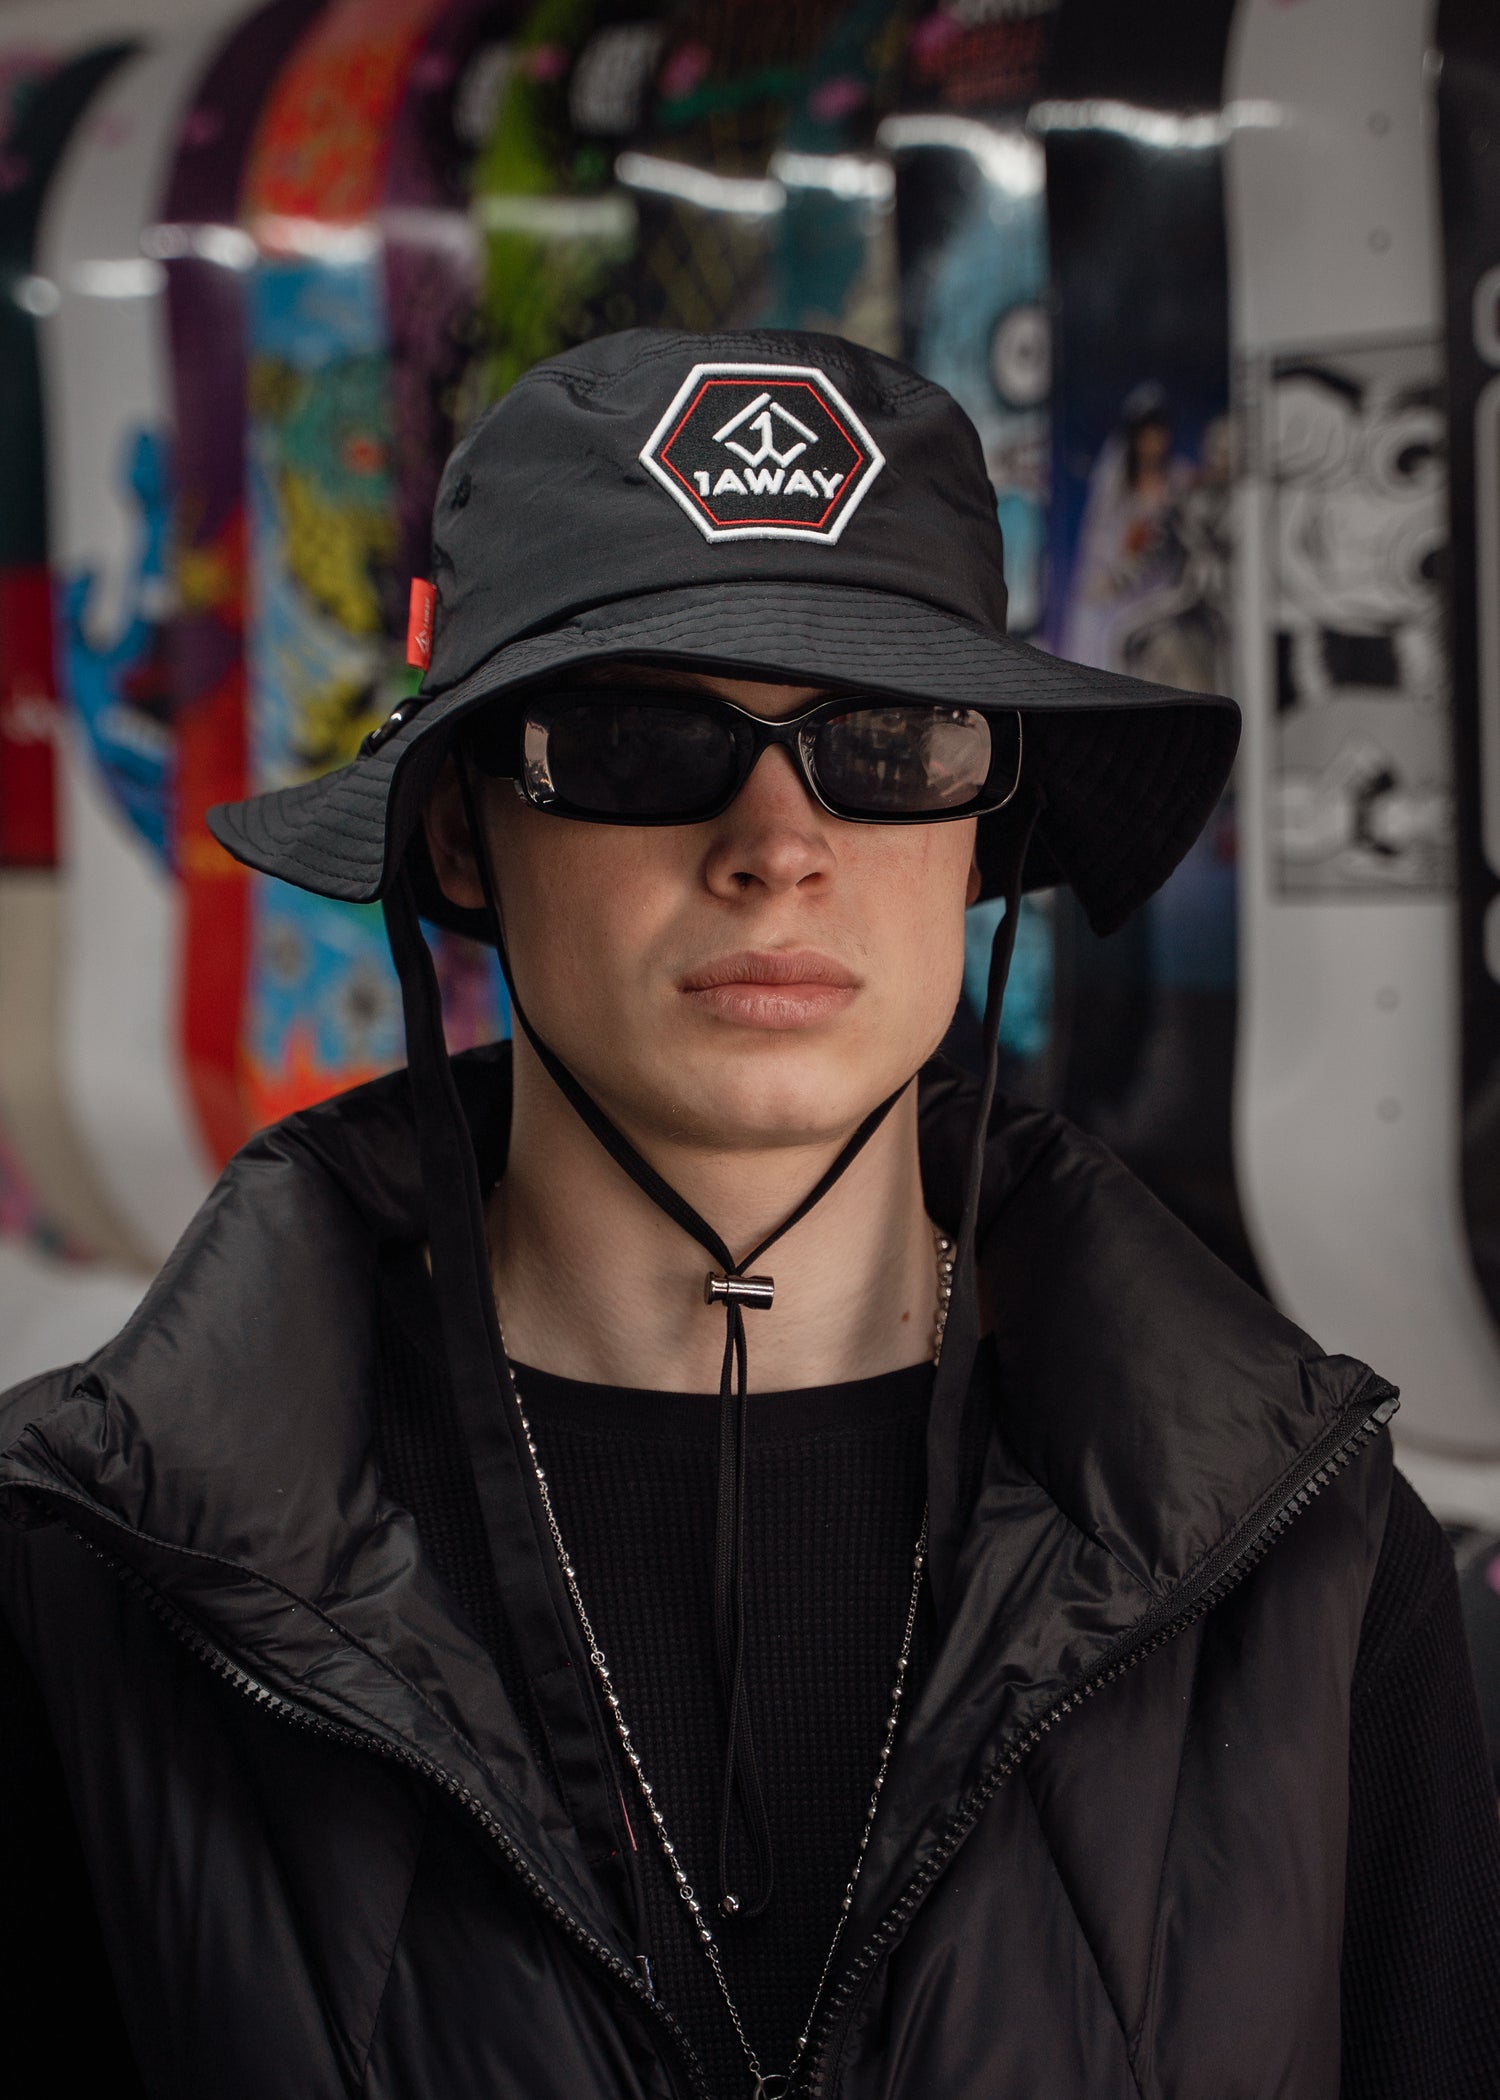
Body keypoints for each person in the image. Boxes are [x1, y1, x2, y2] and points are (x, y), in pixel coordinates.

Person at [2, 329, 1497, 2098]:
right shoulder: (94, 1577)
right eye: (645, 739)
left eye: (885, 738)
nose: (779, 843)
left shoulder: (1307, 1563)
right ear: (467, 839)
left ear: (978, 819)